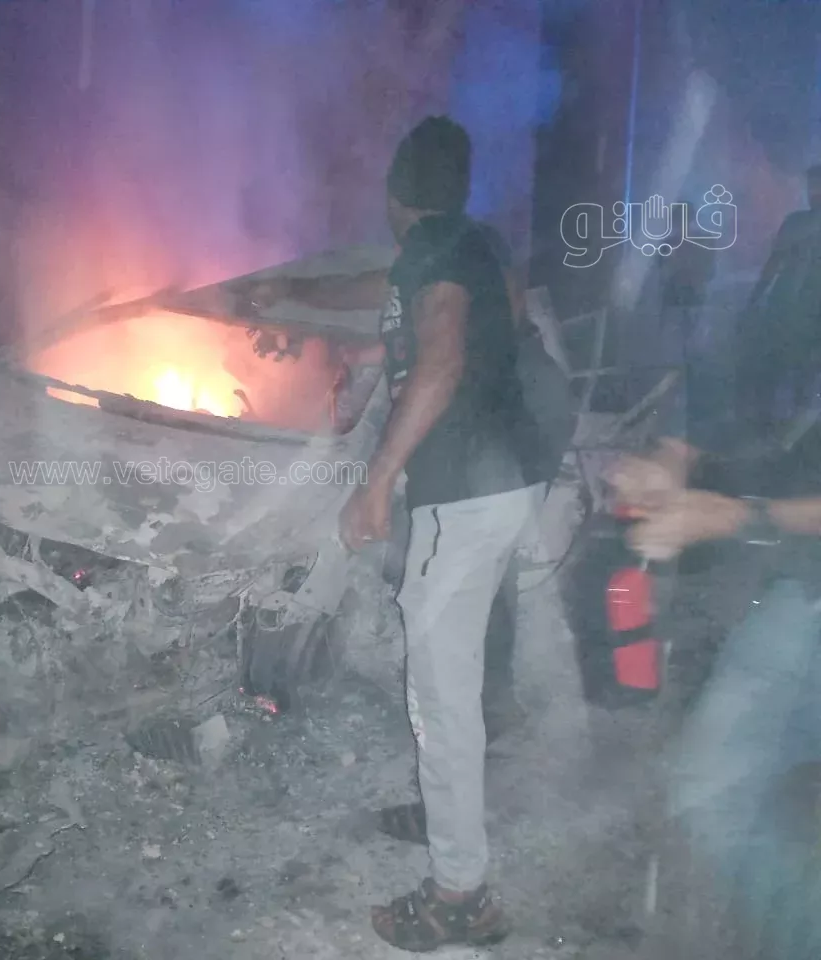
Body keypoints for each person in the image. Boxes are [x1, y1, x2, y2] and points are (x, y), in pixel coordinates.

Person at [251, 116, 547, 951]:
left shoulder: (435, 253)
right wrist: (295, 295)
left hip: (464, 493)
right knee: (456, 671)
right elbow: (400, 294)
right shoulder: (466, 243)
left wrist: (377, 481)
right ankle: (451, 816)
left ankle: (462, 896)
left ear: (393, 193)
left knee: (439, 696)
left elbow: (444, 357)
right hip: (504, 479)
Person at [610, 422, 821, 959]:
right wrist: (675, 463)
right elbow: (776, 422)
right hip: (804, 590)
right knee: (709, 795)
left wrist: (739, 516)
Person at [736, 163, 821, 430]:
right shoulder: (795, 222)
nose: (814, 193)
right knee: (775, 364)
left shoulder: (798, 223)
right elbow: (774, 262)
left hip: (813, 308)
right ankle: (767, 423)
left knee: (806, 369)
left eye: (818, 186)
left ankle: (797, 428)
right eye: (811, 186)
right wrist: (754, 300)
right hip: (785, 305)